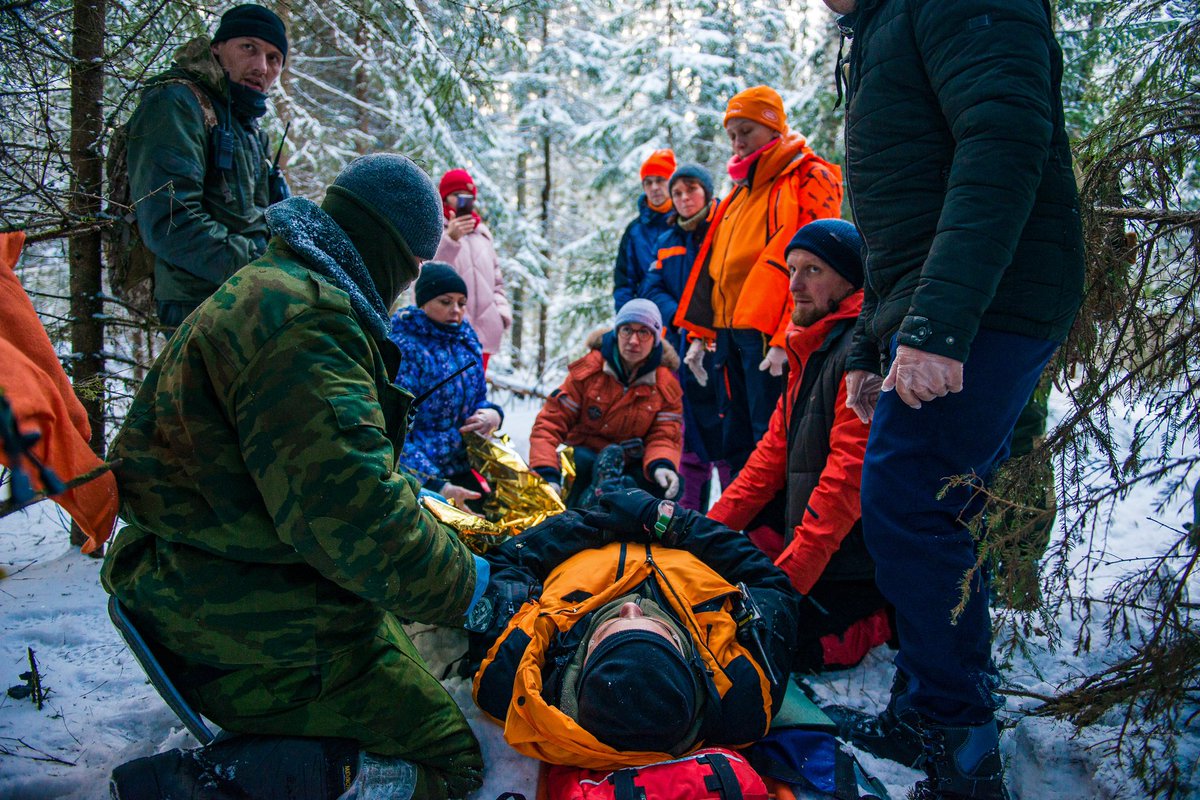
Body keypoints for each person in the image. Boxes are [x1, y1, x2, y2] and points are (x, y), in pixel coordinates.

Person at [102, 154, 492, 800]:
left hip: (212, 573)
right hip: (234, 620)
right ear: (387, 250)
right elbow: (358, 519)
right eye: (412, 269)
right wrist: (478, 591)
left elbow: (342, 471)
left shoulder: (279, 287)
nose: (404, 289)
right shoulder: (308, 326)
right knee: (450, 761)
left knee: (401, 640)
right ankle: (208, 786)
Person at [821, 1, 1086, 798]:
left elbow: (1003, 139)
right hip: (945, 298)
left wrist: (940, 324)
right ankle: (929, 710)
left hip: (990, 296)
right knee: (928, 504)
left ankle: (961, 748)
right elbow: (897, 218)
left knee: (911, 503)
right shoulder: (882, 25)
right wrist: (870, 347)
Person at [471, 487, 800, 768]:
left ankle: (601, 488)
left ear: (580, 663)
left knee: (591, 482)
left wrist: (595, 522)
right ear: (688, 657)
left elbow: (508, 562)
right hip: (679, 543)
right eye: (660, 627)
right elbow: (770, 581)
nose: (630, 607)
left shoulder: (515, 669)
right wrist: (670, 522)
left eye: (608, 628)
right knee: (645, 482)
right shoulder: (745, 690)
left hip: (579, 541)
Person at [708, 219, 892, 673]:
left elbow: (846, 481)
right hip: (813, 541)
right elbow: (767, 460)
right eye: (791, 270)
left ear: (849, 279)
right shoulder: (810, 348)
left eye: (813, 270)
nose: (794, 285)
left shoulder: (863, 355)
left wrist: (788, 585)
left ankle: (887, 617)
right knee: (727, 593)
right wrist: (702, 535)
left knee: (780, 645)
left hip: (854, 557)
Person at [675, 86, 843, 472]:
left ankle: (777, 515)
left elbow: (818, 265)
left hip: (769, 337)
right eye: (732, 134)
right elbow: (717, 266)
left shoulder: (808, 175)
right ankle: (740, 514)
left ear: (774, 127)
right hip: (729, 334)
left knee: (772, 442)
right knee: (735, 441)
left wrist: (787, 336)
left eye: (746, 131)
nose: (737, 142)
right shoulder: (741, 190)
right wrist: (700, 334)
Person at [126, 4, 290, 329]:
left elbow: (257, 217)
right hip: (198, 302)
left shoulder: (247, 125)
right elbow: (170, 221)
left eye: (273, 58)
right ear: (217, 48)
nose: (261, 67)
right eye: (249, 48)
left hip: (248, 291)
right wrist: (262, 265)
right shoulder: (176, 103)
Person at [529, 299, 683, 508]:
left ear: (655, 339)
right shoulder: (589, 371)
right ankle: (587, 506)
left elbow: (665, 435)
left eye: (643, 332)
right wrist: (546, 472)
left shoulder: (665, 385)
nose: (634, 340)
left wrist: (662, 464)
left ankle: (615, 502)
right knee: (579, 462)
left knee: (665, 484)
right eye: (627, 330)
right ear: (617, 332)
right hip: (586, 458)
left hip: (631, 463)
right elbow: (549, 423)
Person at [641, 163, 729, 511]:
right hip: (681, 347)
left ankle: (733, 519)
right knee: (688, 435)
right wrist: (682, 315)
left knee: (725, 435)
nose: (683, 198)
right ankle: (690, 516)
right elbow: (652, 288)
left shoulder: (725, 228)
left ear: (706, 192)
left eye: (691, 189)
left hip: (722, 347)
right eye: (677, 192)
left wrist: (702, 318)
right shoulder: (668, 239)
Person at [389, 261, 504, 509]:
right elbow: (394, 430)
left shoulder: (466, 341)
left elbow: (478, 399)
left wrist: (492, 415)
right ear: (423, 302)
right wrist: (435, 485)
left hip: (463, 464)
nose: (456, 310)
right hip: (417, 473)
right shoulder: (405, 348)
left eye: (462, 303)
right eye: (445, 302)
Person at [432, 168, 512, 369]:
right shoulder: (434, 230)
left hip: (484, 334)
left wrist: (501, 315)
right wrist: (450, 240)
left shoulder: (483, 235)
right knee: (448, 386)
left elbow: (497, 283)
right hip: (448, 333)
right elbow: (427, 277)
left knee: (477, 388)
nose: (463, 201)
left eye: (468, 196)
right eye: (456, 195)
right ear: (444, 197)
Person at [613, 149, 676, 310]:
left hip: (684, 316)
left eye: (660, 180)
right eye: (648, 182)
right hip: (648, 316)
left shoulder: (686, 222)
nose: (654, 187)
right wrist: (626, 318)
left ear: (671, 182)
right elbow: (624, 283)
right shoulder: (635, 231)